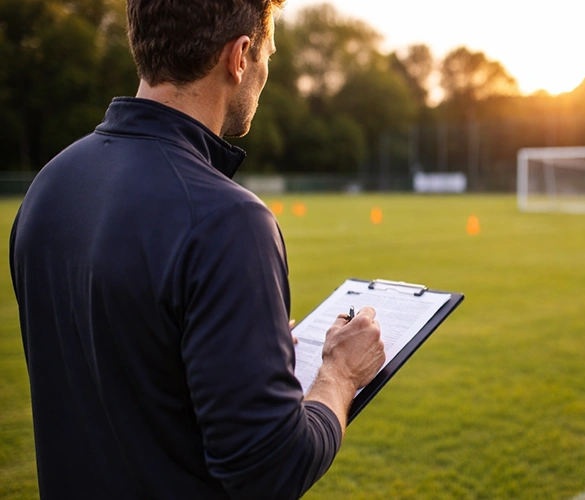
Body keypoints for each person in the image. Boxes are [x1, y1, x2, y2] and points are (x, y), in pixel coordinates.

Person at [9, 1, 386, 498]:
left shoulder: (50, 186)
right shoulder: (228, 220)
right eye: (268, 53)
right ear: (240, 56)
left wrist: (242, 353)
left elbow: (127, 373)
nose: (266, 71)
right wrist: (339, 373)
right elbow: (270, 469)